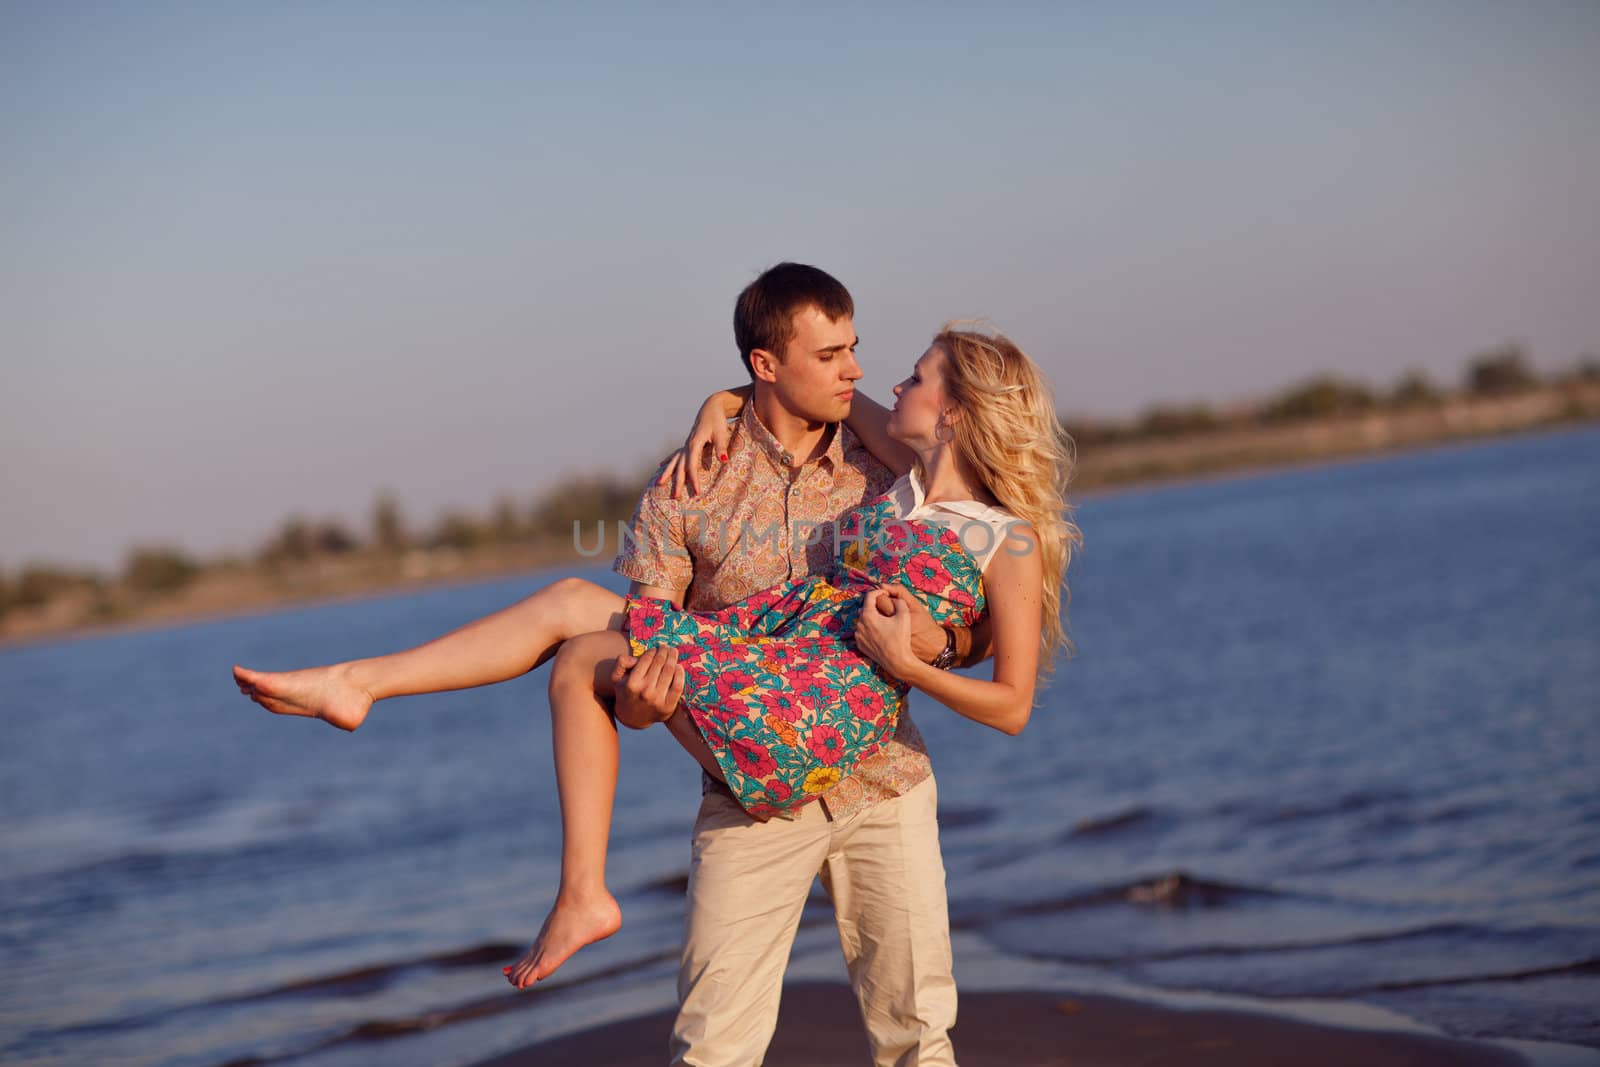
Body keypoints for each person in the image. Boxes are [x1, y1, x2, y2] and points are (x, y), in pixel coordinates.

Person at [233, 264, 1079, 1066]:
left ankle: (398, 717)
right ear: (765, 365)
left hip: (881, 776)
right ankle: (373, 692)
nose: (864, 370)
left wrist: (927, 649)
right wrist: (638, 705)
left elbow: (981, 619)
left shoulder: (881, 459)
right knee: (709, 1046)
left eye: (861, 352)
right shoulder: (688, 485)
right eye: (831, 354)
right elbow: (642, 671)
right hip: (752, 769)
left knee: (917, 1037)